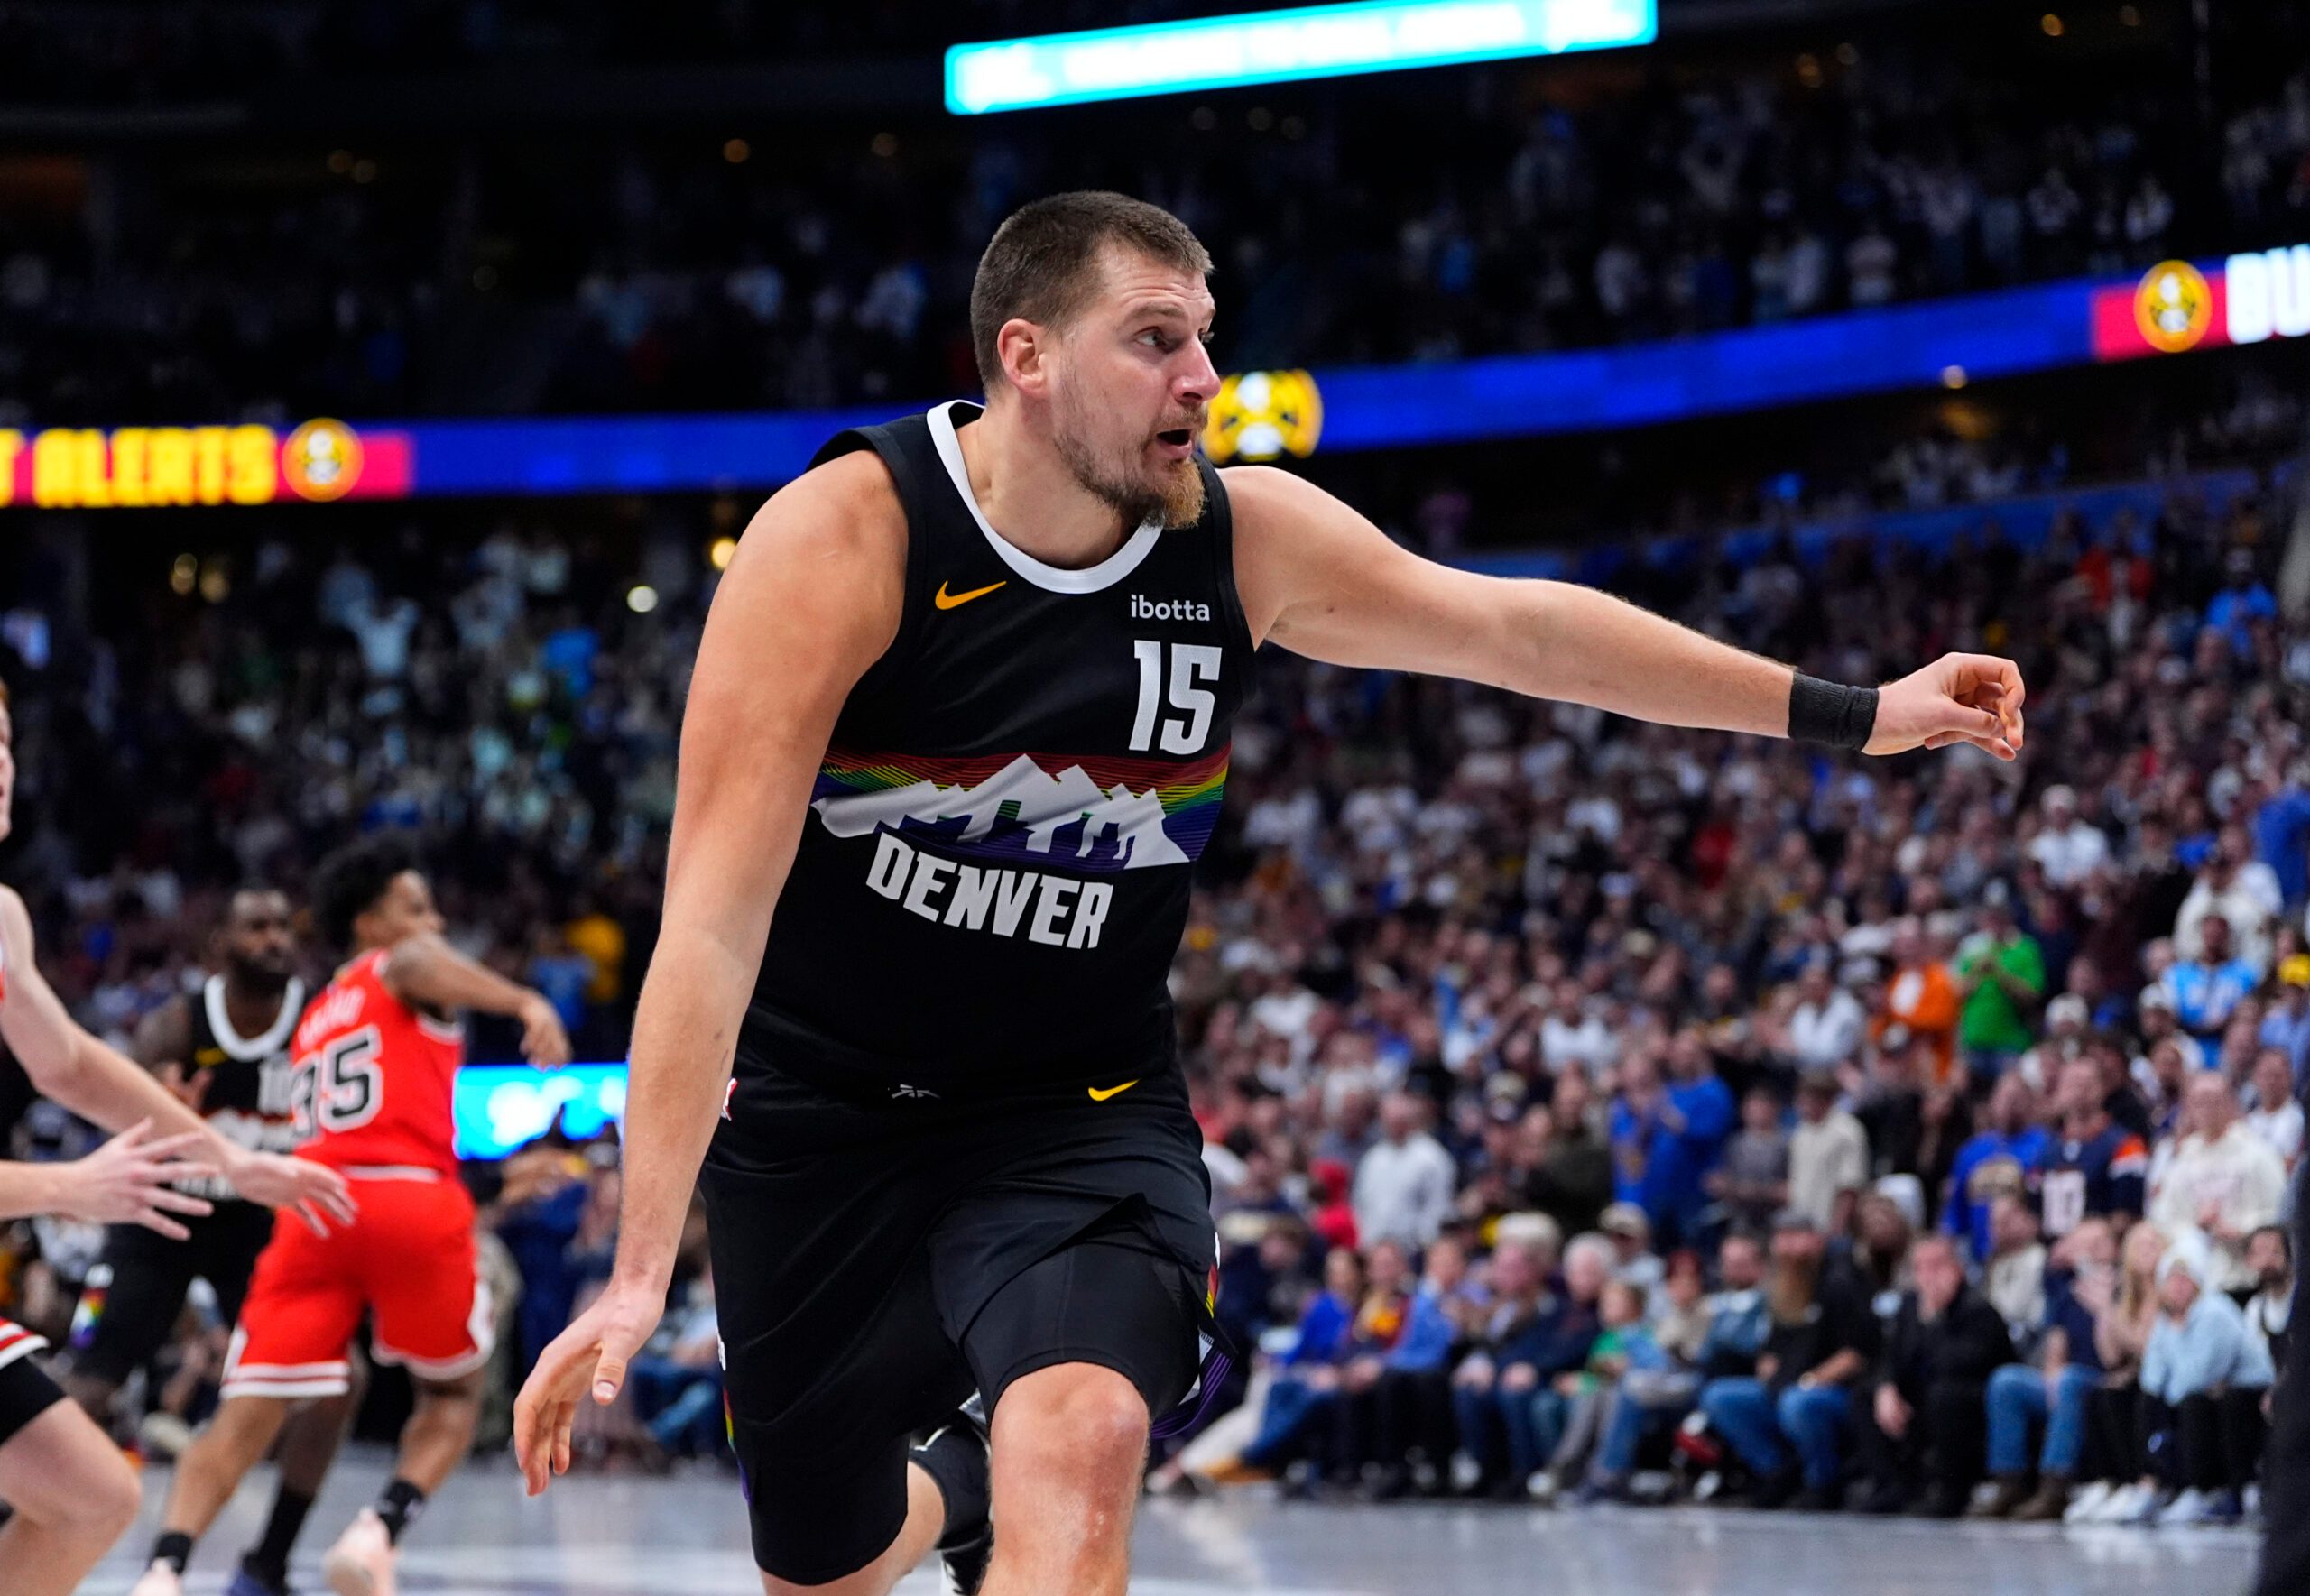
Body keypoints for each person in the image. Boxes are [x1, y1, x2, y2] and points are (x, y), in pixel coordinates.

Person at [509, 190, 2027, 1596]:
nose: (1202, 379)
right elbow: (710, 916)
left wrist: (1857, 712)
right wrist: (644, 1268)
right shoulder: (844, 538)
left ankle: (1017, 1469)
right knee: (824, 1568)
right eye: (1157, 340)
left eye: (1207, 341)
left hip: (1074, 1105)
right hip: (822, 1113)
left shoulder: (1242, 541)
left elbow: (1518, 633)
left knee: (1087, 1438)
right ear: (1025, 356)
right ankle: (950, 1486)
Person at [133, 835, 571, 1596]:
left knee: (244, 1413)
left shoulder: (315, 1016)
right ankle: (378, 1531)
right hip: (406, 1197)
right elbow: (418, 968)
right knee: (453, 1394)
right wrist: (523, 998)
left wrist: (497, 1179)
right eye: (415, 906)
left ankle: (164, 1569)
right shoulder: (395, 965)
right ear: (370, 924)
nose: (432, 920)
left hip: (315, 1209)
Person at [0, 683, 353, 1596]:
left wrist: (227, 1158)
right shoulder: (179, 1014)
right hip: (137, 1214)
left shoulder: (1, 916)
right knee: (99, 1395)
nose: (0, 765)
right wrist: (62, 1188)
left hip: (223, 1214)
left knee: (90, 1494)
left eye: (2, 740)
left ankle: (269, 1553)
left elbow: (71, 1062)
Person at [60, 888, 356, 1596]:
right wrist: (156, 1101)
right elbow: (114, 1094)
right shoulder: (178, 1022)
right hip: (163, 1215)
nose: (275, 937)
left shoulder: (320, 1019)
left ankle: (269, 1561)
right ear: (220, 943)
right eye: (257, 926)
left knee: (336, 1383)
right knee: (92, 1379)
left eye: (284, 924)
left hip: (257, 1224)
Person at [1696, 1210, 1880, 1509]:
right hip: (1786, 1383)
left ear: (1816, 1240)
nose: (1789, 1248)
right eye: (1782, 1240)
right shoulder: (1783, 1287)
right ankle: (1776, 1471)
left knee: (1797, 1403)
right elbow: (1772, 1347)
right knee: (1719, 1397)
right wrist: (1769, 1368)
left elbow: (1856, 1354)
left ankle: (1823, 1481)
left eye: (1796, 1238)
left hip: (1837, 1392)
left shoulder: (1839, 1281)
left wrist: (1811, 1381)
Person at [1851, 1234, 2013, 1517]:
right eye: (1920, 1267)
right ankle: (1892, 1485)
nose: (1928, 1275)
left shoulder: (1977, 1309)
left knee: (1944, 1395)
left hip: (1970, 1402)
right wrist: (1886, 1388)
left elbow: (1955, 1364)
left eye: (1937, 1265)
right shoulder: (1910, 1306)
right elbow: (1892, 1356)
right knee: (1867, 1395)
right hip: (1924, 1396)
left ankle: (1951, 1490)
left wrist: (1935, 1320)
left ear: (1957, 1268)